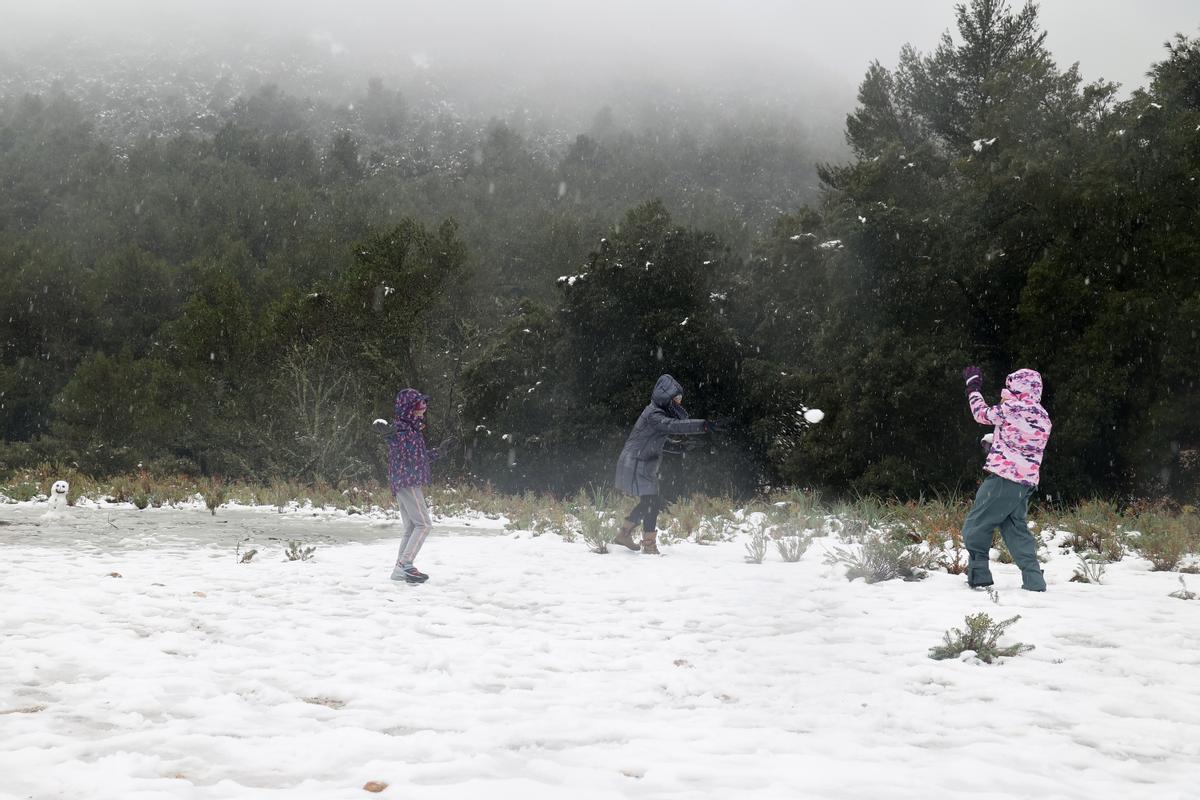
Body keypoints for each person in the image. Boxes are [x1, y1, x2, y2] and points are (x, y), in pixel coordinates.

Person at [960, 366, 1052, 591]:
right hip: (1025, 483)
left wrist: (973, 387)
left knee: (975, 525)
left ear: (1017, 386)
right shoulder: (1043, 415)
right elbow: (1023, 444)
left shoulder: (1013, 407)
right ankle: (1034, 580)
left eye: (1010, 384)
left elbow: (981, 414)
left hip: (1003, 478)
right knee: (1015, 529)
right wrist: (995, 443)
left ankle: (979, 575)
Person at [613, 374, 724, 554]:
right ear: (667, 397)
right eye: (677, 399)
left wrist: (680, 447)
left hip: (640, 461)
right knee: (652, 501)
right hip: (636, 462)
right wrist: (702, 425)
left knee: (650, 501)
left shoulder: (656, 412)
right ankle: (646, 544)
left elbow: (656, 441)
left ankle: (625, 534)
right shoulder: (654, 414)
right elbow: (673, 426)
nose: (679, 403)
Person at [386, 389, 454, 584]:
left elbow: (419, 458)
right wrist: (388, 435)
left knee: (411, 526)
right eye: (419, 404)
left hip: (404, 480)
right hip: (408, 481)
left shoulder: (412, 429)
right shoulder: (401, 429)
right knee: (424, 524)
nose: (424, 408)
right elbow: (395, 442)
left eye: (424, 404)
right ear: (409, 408)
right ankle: (405, 564)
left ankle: (400, 568)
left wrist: (440, 451)